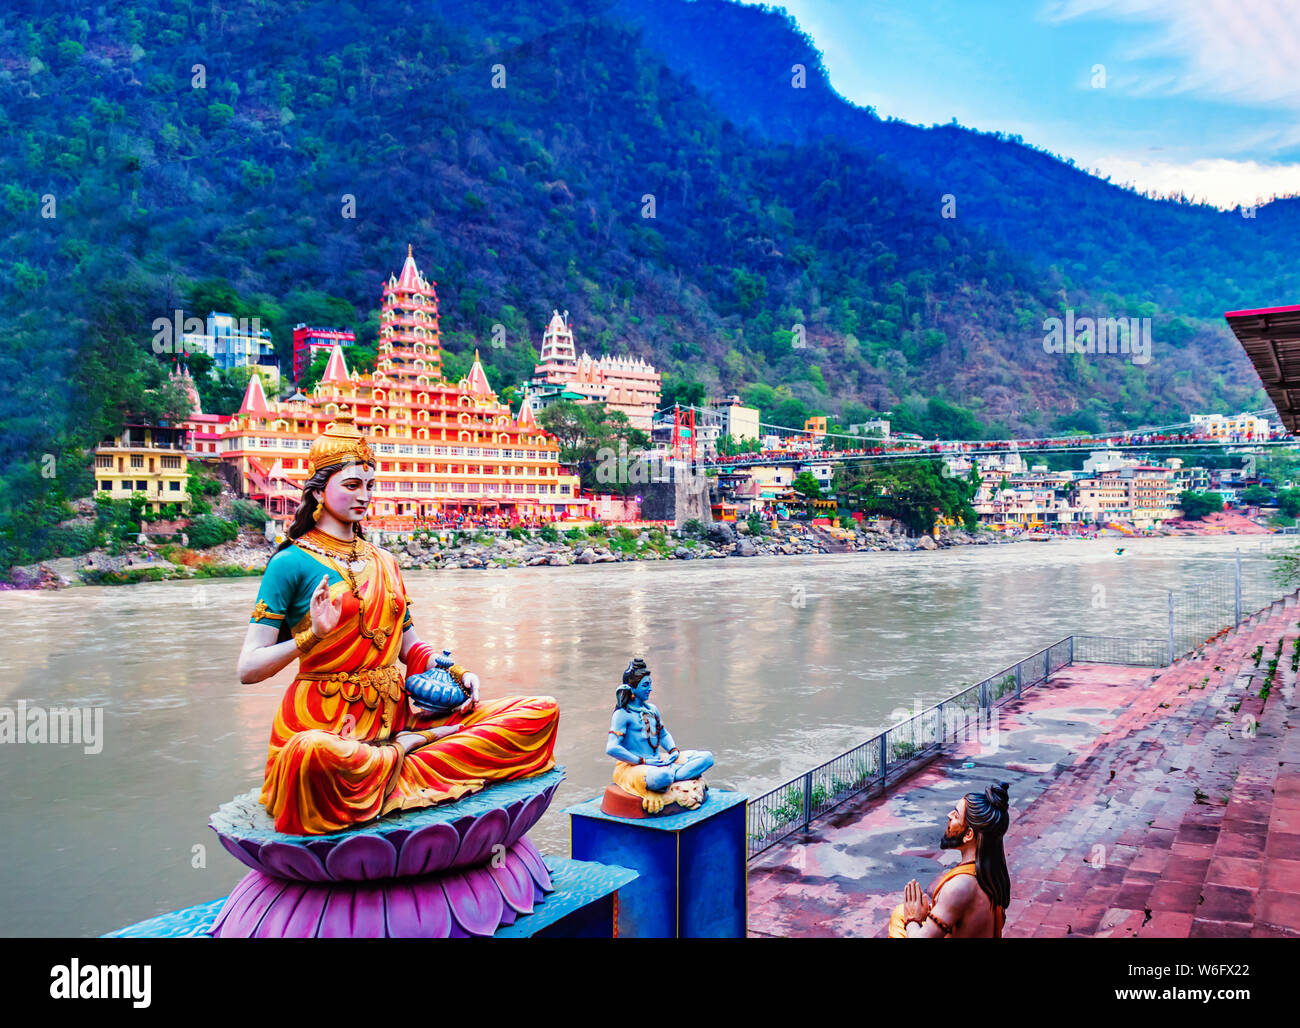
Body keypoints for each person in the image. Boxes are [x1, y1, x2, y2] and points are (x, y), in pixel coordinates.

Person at [238, 408, 559, 835]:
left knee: (537, 712)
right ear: (317, 491)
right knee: (312, 756)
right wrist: (310, 635)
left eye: (371, 485)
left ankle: (401, 759)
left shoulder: (385, 561)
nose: (364, 495)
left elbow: (411, 649)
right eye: (352, 485)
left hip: (397, 714)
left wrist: (457, 673)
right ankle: (406, 758)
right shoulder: (291, 562)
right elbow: (248, 669)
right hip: (327, 726)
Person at [888, 782, 1011, 938]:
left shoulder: (960, 886)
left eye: (956, 814)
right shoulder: (990, 870)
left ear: (968, 835)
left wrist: (913, 919)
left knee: (901, 918)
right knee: (900, 912)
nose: (949, 816)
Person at [605, 657, 713, 814]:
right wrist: (642, 761)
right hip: (635, 766)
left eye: (650, 684)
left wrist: (673, 751)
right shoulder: (623, 714)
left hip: (659, 760)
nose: (650, 689)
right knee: (663, 777)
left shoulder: (652, 709)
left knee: (707, 757)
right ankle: (678, 775)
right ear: (632, 688)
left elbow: (663, 734)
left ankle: (673, 775)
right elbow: (612, 747)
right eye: (645, 685)